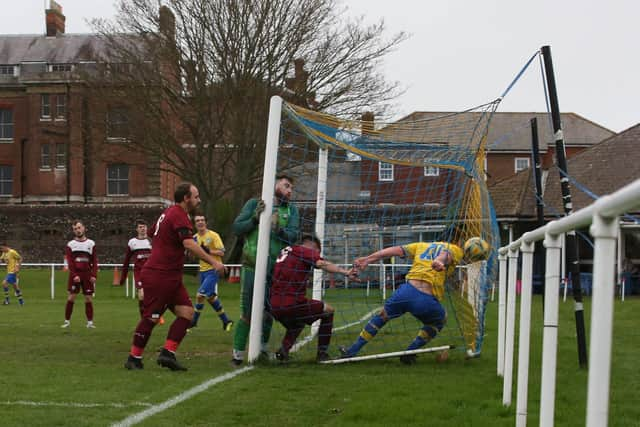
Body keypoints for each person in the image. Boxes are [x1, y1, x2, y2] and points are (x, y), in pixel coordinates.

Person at [124, 182, 226, 371]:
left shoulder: (169, 213)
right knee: (151, 318)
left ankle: (167, 354)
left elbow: (156, 233)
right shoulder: (178, 214)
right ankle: (134, 358)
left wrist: (172, 247)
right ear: (186, 198)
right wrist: (214, 262)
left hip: (171, 276)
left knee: (187, 313)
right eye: (196, 196)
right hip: (159, 275)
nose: (199, 199)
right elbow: (188, 243)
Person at [340, 238, 488, 364]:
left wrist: (368, 259)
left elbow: (394, 250)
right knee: (440, 320)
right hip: (425, 299)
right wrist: (438, 260)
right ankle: (410, 352)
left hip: (405, 291)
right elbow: (445, 255)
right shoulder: (455, 249)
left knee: (382, 316)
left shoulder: (421, 245)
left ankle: (352, 351)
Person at [231, 174, 300, 366]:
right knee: (248, 312)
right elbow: (237, 228)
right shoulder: (254, 204)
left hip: (277, 269)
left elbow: (294, 236)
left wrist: (279, 230)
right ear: (274, 185)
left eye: (291, 188)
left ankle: (261, 350)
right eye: (286, 186)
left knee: (270, 311)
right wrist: (254, 219)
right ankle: (237, 354)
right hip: (252, 266)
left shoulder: (292, 210)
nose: (290, 190)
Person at [270, 235, 358, 362]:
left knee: (298, 323)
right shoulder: (304, 250)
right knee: (328, 311)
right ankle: (322, 354)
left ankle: (283, 351)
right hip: (292, 303)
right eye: (318, 251)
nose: (317, 254)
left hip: (274, 305)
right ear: (312, 246)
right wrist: (346, 272)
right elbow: (321, 263)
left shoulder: (286, 251)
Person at [189, 213, 233, 331]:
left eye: (202, 220)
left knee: (200, 295)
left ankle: (194, 321)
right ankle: (226, 321)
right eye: (197, 220)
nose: (200, 222)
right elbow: (194, 255)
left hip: (213, 270)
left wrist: (208, 250)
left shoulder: (213, 235)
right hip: (202, 271)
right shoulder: (194, 238)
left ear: (206, 222)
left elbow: (222, 252)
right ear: (195, 224)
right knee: (211, 298)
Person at [61, 221, 98, 328]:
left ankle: (90, 323)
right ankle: (67, 321)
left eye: (79, 227)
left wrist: (94, 275)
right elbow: (70, 262)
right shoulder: (70, 244)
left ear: (84, 228)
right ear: (73, 231)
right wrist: (74, 275)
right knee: (71, 297)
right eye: (75, 229)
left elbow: (95, 261)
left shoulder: (91, 243)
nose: (78, 230)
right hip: (75, 275)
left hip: (87, 275)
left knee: (88, 298)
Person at [120, 219, 152, 318]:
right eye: (140, 227)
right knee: (141, 295)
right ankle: (144, 319)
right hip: (139, 273)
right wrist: (123, 277)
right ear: (137, 229)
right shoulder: (132, 242)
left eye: (144, 227)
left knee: (152, 297)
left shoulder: (151, 241)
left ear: (147, 228)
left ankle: (153, 314)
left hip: (152, 273)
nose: (142, 229)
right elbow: (126, 261)